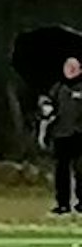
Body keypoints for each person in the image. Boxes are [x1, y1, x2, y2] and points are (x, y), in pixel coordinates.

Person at [38, 57, 82, 214]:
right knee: (61, 171)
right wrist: (46, 110)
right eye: (67, 66)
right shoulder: (58, 88)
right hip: (61, 134)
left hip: (79, 134)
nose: (69, 69)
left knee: (80, 169)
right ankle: (63, 204)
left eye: (73, 67)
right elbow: (46, 105)